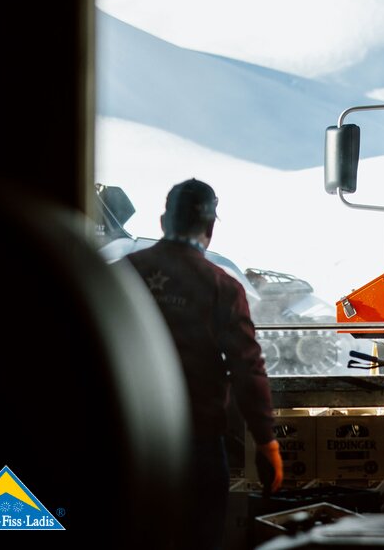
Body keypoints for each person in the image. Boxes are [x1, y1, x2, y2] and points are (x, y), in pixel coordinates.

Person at [125, 178, 283, 550]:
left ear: (164, 221)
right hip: (197, 444)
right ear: (210, 229)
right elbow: (247, 369)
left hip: (128, 439)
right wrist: (266, 442)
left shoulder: (121, 271)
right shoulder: (221, 286)